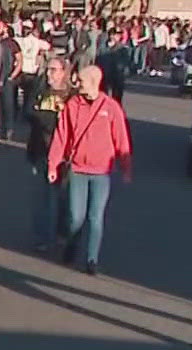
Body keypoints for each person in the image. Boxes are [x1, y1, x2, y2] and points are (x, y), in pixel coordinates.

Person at [46, 63, 132, 275]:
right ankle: (72, 247)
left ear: (94, 82)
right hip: (77, 169)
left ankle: (91, 259)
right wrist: (53, 164)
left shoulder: (111, 108)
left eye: (81, 81)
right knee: (76, 216)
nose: (77, 83)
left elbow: (121, 139)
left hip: (101, 172)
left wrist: (126, 167)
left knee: (96, 217)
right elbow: (62, 136)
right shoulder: (73, 105)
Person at [27, 56, 74, 254]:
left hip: (65, 155)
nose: (49, 74)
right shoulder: (40, 90)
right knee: (45, 197)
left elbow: (70, 123)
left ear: (64, 72)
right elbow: (29, 113)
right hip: (41, 150)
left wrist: (46, 118)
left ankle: (63, 233)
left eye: (54, 70)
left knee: (64, 197)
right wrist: (49, 119)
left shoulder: (72, 96)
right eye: (48, 70)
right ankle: (43, 237)